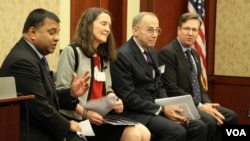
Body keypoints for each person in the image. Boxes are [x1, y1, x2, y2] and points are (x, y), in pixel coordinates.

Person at [55, 7, 151, 141]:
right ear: (89, 24)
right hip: (78, 118)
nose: (108, 29)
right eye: (103, 24)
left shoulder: (103, 56)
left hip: (100, 117)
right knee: (134, 134)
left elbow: (108, 89)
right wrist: (86, 113)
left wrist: (114, 100)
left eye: (109, 26)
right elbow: (60, 94)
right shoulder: (71, 52)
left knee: (144, 133)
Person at [110, 11, 207, 141]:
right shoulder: (122, 55)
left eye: (157, 30)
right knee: (177, 131)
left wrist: (168, 107)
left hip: (155, 108)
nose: (155, 35)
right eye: (150, 30)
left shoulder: (151, 51)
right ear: (135, 31)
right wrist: (162, 110)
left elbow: (159, 85)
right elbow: (128, 97)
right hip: (136, 112)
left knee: (198, 126)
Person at [0, 8, 91, 141]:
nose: (57, 38)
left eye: (58, 33)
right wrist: (68, 125)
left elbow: (45, 96)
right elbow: (39, 109)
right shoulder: (23, 61)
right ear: (32, 33)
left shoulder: (34, 56)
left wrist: (71, 93)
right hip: (32, 133)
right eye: (52, 32)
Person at [158, 12, 238, 141]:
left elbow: (199, 87)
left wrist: (208, 105)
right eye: (186, 29)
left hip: (198, 104)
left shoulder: (195, 54)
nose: (190, 33)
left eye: (194, 29)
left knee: (231, 117)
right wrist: (201, 106)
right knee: (210, 121)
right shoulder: (168, 53)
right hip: (181, 105)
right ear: (179, 29)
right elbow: (172, 88)